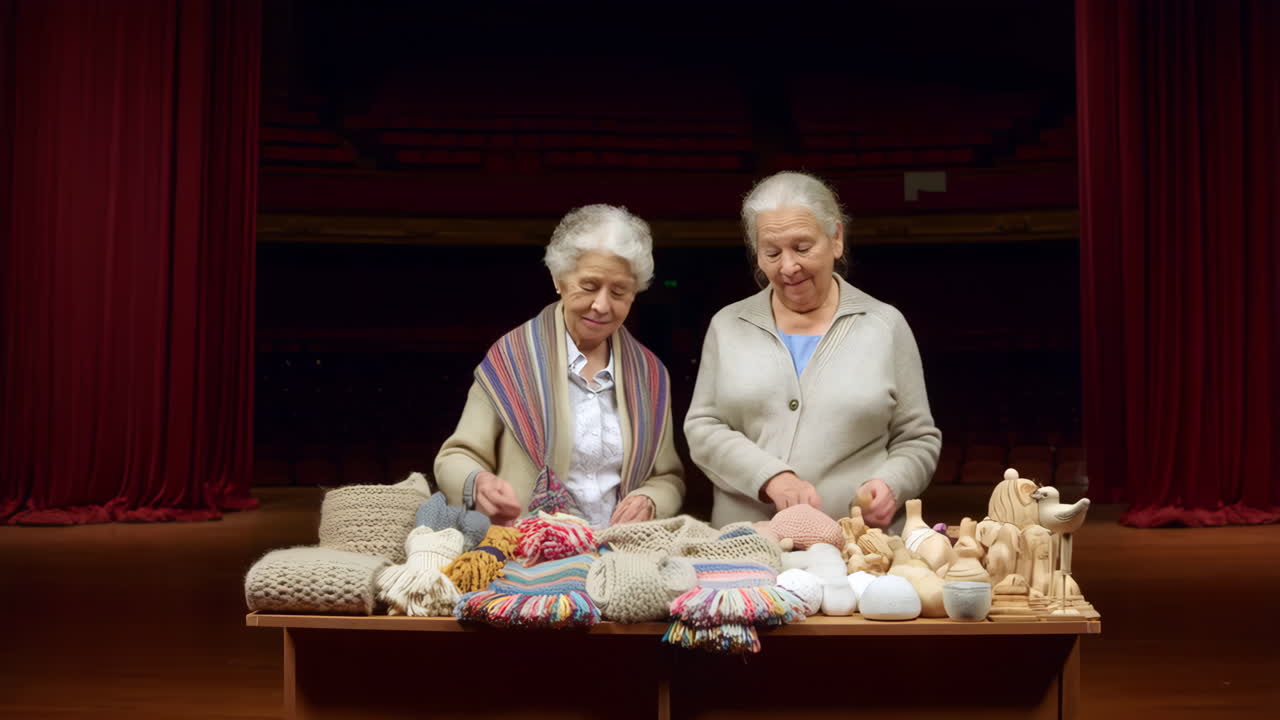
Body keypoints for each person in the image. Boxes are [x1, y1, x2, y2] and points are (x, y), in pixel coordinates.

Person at [685, 172, 940, 531]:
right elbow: (702, 427)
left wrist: (891, 485)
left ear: (836, 239)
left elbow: (917, 438)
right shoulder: (727, 325)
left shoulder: (885, 325)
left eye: (802, 248)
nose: (788, 267)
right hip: (749, 548)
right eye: (772, 252)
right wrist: (770, 477)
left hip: (861, 550)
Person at [435, 204, 684, 528]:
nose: (601, 305)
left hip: (620, 552)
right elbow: (454, 458)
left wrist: (650, 500)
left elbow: (668, 478)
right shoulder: (511, 360)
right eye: (590, 286)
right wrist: (478, 483)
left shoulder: (650, 375)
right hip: (526, 553)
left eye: (619, 291)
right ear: (559, 279)